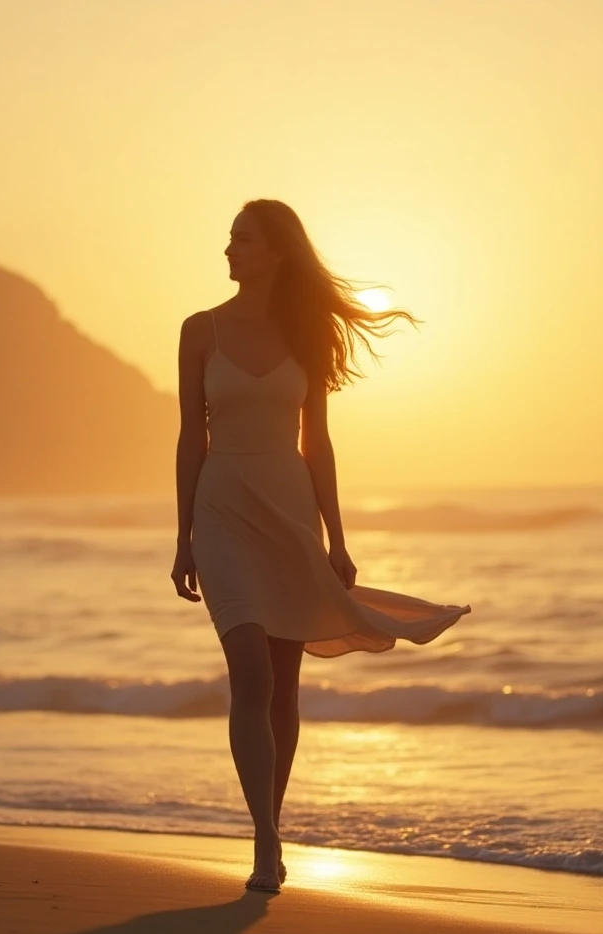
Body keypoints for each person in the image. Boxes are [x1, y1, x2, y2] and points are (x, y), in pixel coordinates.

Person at [171, 199, 471, 894]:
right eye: (229, 239)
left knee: (282, 687)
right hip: (222, 515)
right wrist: (182, 534)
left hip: (288, 512)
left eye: (242, 239)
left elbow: (319, 440)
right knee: (250, 673)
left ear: (276, 251)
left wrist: (337, 536)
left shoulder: (307, 333)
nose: (229, 249)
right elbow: (192, 436)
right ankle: (268, 843)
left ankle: (265, 831)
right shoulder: (199, 330)